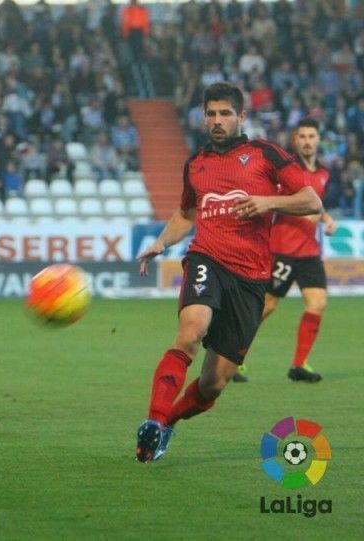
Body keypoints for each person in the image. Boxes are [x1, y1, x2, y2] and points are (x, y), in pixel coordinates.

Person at [135, 82, 321, 463]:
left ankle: (168, 422)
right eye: (211, 114)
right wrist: (161, 242)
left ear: (241, 117)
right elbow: (187, 213)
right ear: (203, 117)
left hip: (251, 279)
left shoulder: (265, 155)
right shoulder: (197, 164)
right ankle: (152, 422)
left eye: (225, 114)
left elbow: (311, 200)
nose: (217, 121)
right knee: (190, 331)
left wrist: (267, 201)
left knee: (212, 384)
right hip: (207, 260)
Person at [236, 119, 336, 383]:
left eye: (311, 136)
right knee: (266, 306)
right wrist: (303, 211)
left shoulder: (324, 173)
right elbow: (273, 202)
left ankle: (299, 364)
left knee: (318, 303)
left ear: (318, 139)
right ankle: (234, 357)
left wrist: (325, 218)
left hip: (309, 253)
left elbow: (315, 203)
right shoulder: (288, 170)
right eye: (301, 136)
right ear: (295, 140)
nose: (307, 141)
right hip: (282, 250)